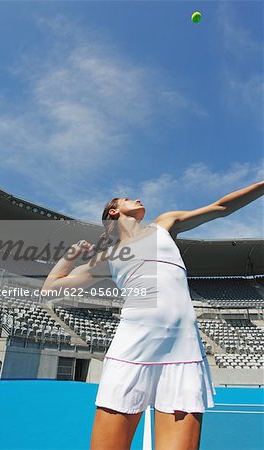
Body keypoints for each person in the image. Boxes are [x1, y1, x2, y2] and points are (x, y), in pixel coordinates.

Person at [41, 181, 264, 450]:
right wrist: (70, 256)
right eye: (126, 198)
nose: (136, 198)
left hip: (183, 353)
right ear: (113, 211)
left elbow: (221, 207)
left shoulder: (164, 224)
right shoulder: (108, 256)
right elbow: (50, 289)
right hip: (132, 350)